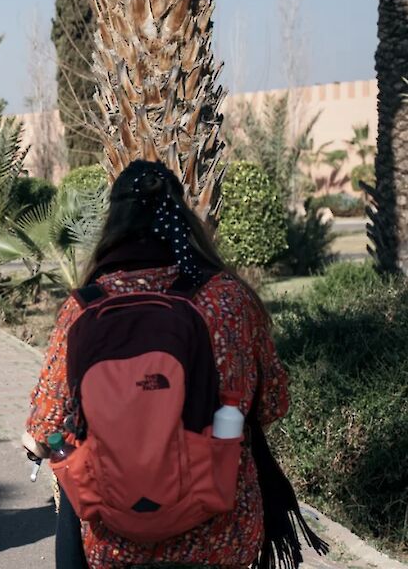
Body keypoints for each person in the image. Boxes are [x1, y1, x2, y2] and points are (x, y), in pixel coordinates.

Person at [23, 160, 323, 568]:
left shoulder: (83, 309)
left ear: (114, 224)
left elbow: (47, 426)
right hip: (222, 535)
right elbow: (272, 404)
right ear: (183, 219)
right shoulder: (228, 300)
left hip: (117, 542)